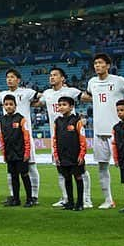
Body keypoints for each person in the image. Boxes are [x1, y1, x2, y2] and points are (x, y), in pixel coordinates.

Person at [80, 53, 124, 209]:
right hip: (99, 131)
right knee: (102, 166)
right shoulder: (92, 82)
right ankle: (108, 200)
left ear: (108, 65)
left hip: (118, 132)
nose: (97, 66)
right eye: (95, 63)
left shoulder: (118, 81)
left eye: (100, 63)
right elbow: (90, 97)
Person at [35, 66, 90, 208]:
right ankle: (66, 198)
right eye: (50, 75)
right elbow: (37, 103)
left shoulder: (70, 91)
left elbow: (86, 97)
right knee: (61, 170)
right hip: (57, 137)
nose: (51, 77)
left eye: (55, 75)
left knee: (81, 171)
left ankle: (86, 199)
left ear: (62, 78)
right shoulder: (46, 93)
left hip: (72, 137)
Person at [0, 69, 40, 204]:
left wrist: (36, 103)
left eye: (12, 77)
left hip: (24, 137)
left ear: (18, 79)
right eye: (7, 77)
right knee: (12, 173)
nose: (9, 79)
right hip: (10, 140)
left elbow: (40, 97)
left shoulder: (27, 92)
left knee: (31, 166)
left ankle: (33, 196)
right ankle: (14, 196)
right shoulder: (3, 94)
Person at [52, 96, 86, 211]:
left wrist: (81, 154)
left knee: (78, 178)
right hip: (63, 156)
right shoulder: (57, 121)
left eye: (64, 105)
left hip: (75, 156)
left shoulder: (77, 121)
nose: (61, 107)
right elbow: (55, 139)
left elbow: (82, 139)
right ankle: (70, 202)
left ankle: (80, 203)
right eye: (60, 105)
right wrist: (56, 155)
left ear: (71, 107)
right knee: (67, 178)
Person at [0, 95, 33, 207]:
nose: (8, 106)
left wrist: (27, 152)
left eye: (11, 104)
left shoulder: (21, 119)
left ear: (15, 106)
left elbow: (26, 137)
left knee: (24, 176)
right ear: (3, 106)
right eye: (6, 104)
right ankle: (16, 199)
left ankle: (29, 199)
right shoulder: (2, 120)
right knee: (13, 177)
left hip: (21, 153)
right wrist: (4, 153)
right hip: (10, 154)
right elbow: (1, 138)